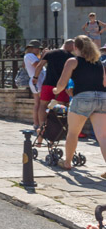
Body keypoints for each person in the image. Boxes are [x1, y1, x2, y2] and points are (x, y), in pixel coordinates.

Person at [50, 35, 106, 171]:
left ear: (75, 47)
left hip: (82, 98)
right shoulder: (98, 62)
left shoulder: (72, 61)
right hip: (102, 97)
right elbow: (104, 82)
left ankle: (67, 162)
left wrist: (55, 90)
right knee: (103, 136)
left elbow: (62, 83)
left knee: (73, 132)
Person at [35, 39, 75, 106]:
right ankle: (56, 116)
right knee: (61, 104)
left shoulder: (50, 53)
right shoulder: (71, 57)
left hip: (48, 82)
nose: (74, 49)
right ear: (70, 46)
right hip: (63, 84)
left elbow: (40, 65)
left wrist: (35, 77)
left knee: (43, 105)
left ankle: (43, 117)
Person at [23, 40, 46, 132]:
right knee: (40, 103)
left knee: (38, 102)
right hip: (37, 80)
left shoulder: (30, 56)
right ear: (31, 48)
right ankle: (38, 123)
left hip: (36, 80)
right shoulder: (30, 56)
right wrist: (44, 57)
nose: (38, 50)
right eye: (36, 48)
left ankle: (36, 123)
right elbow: (38, 65)